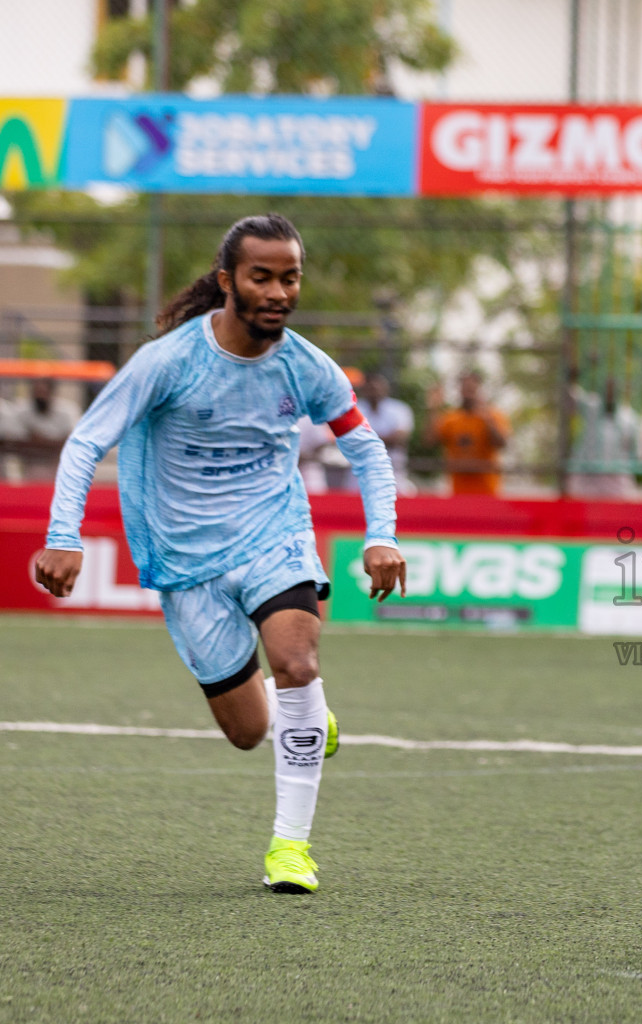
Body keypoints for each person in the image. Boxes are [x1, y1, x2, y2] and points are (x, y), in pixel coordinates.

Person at [33, 214, 407, 894]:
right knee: (246, 730)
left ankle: (290, 849)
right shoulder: (169, 361)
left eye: (289, 277)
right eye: (261, 277)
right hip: (185, 562)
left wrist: (381, 533)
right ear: (227, 280)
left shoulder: (307, 366)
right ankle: (303, 714)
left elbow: (366, 448)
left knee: (297, 661)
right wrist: (64, 536)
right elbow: (86, 442)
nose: (277, 291)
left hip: (275, 536)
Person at [429, 371, 507, 496]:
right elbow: (430, 442)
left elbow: (502, 443)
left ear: (479, 389)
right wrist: (434, 408)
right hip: (458, 492)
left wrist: (489, 422)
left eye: (472, 388)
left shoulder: (493, 415)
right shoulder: (450, 418)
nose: (468, 392)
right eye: (465, 388)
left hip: (488, 491)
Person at [568, 378, 640, 498]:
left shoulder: (628, 417)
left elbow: (635, 451)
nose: (609, 395)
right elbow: (572, 395)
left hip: (616, 478)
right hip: (587, 476)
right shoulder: (591, 407)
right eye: (607, 392)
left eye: (612, 392)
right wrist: (573, 373)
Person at [356, 370, 415, 493]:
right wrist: (384, 440)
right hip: (360, 472)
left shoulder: (399, 409)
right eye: (370, 387)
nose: (374, 391)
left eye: (377, 387)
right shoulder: (355, 409)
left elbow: (400, 438)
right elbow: (351, 439)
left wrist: (367, 440)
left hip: (393, 471)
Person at [13, 378, 82, 481]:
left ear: (51, 392)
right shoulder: (22, 409)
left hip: (59, 465)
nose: (40, 397)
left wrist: (40, 440)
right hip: (31, 466)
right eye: (37, 392)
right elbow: (18, 443)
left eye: (43, 392)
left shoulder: (68, 410)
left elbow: (72, 442)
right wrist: (52, 442)